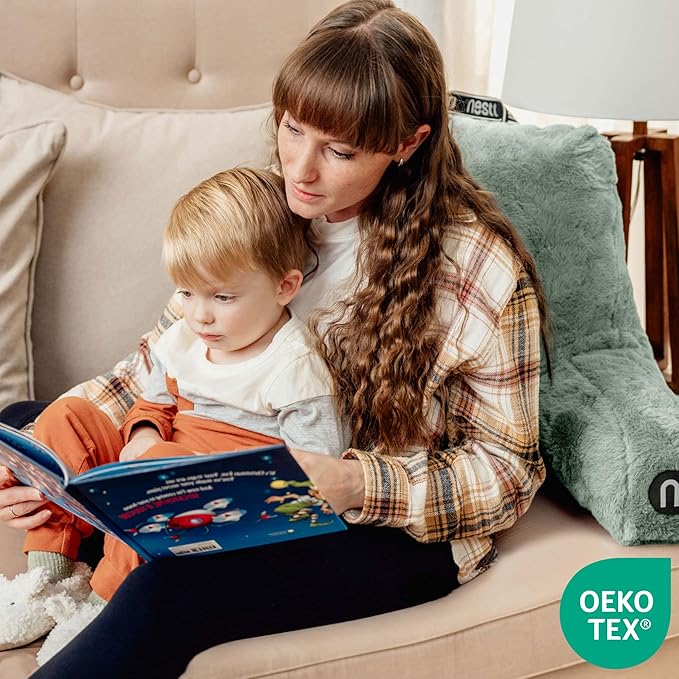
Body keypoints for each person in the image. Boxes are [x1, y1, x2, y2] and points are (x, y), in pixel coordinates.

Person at [0, 1, 550, 676]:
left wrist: (354, 481)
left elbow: (506, 470)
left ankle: (107, 587)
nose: (301, 169)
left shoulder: (474, 267)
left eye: (339, 151)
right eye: (292, 129)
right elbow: (162, 361)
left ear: (406, 144)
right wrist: (43, 463)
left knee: (174, 583)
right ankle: (61, 573)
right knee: (30, 425)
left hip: (380, 530)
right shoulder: (267, 211)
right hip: (225, 466)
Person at [0, 167, 347, 655]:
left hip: (214, 496)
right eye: (186, 292)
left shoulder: (296, 369)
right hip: (158, 454)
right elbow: (154, 399)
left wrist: (160, 461)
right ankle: (50, 579)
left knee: (150, 473)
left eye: (222, 297)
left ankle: (101, 604)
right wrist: (142, 431)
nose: (200, 314)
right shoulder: (183, 337)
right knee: (64, 417)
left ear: (285, 286)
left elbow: (314, 474)